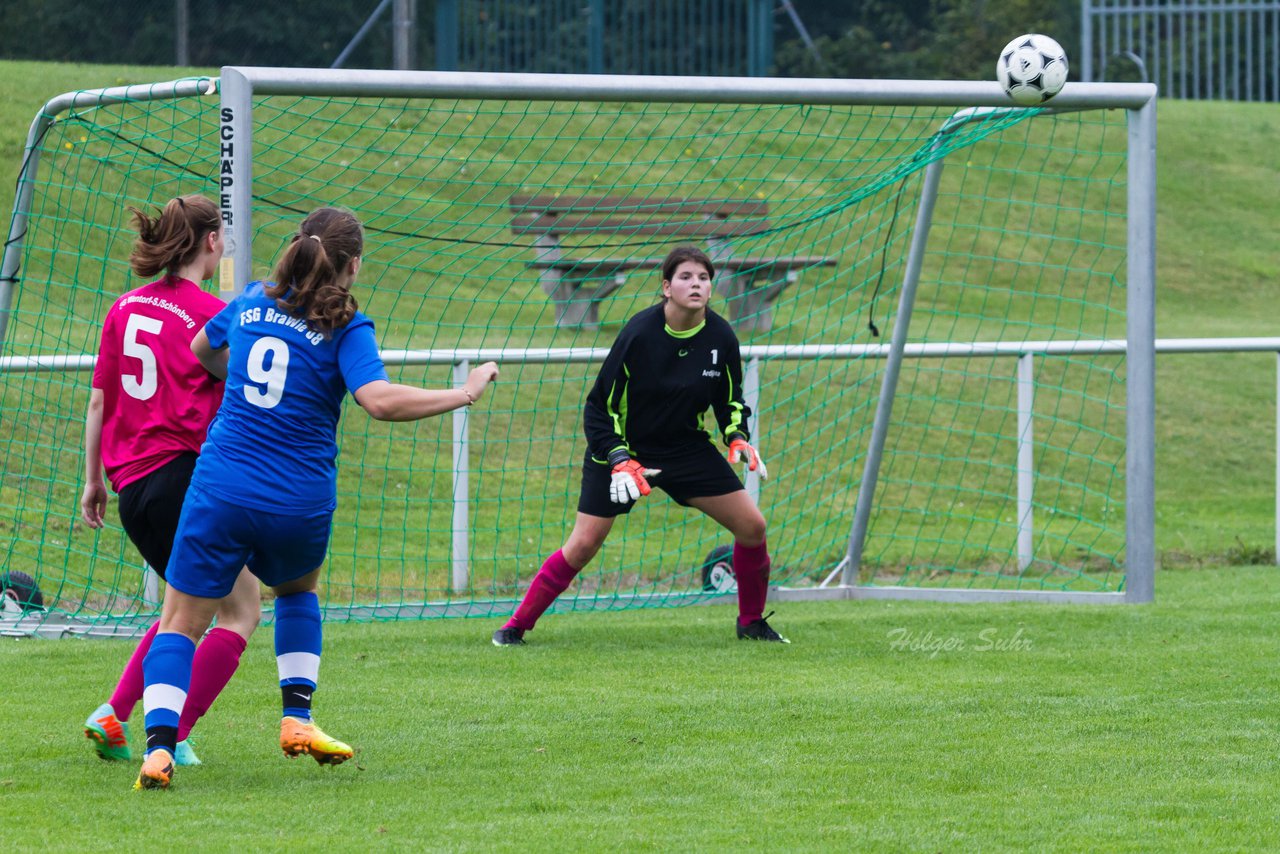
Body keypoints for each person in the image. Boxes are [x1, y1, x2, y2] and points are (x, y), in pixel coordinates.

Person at [134, 206, 499, 790]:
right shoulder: (347, 323)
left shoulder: (251, 298)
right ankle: (297, 720)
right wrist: (464, 392)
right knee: (298, 592)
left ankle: (158, 750)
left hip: (222, 487)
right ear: (352, 265)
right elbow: (377, 400)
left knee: (180, 621)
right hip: (297, 500)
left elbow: (202, 349)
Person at [492, 245, 787, 647]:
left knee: (753, 526)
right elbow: (600, 407)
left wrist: (736, 436)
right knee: (583, 545)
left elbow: (731, 400)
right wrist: (619, 459)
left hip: (685, 449)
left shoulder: (721, 336)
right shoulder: (638, 333)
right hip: (621, 452)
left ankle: (751, 623)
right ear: (666, 287)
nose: (696, 284)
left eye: (703, 278)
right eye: (685, 277)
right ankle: (515, 626)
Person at [81, 194, 262, 767]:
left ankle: (113, 715)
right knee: (241, 610)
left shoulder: (123, 309)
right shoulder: (212, 317)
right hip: (180, 477)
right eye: (223, 239)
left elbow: (96, 403)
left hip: (130, 486)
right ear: (212, 242)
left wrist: (94, 483)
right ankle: (174, 731)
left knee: (179, 611)